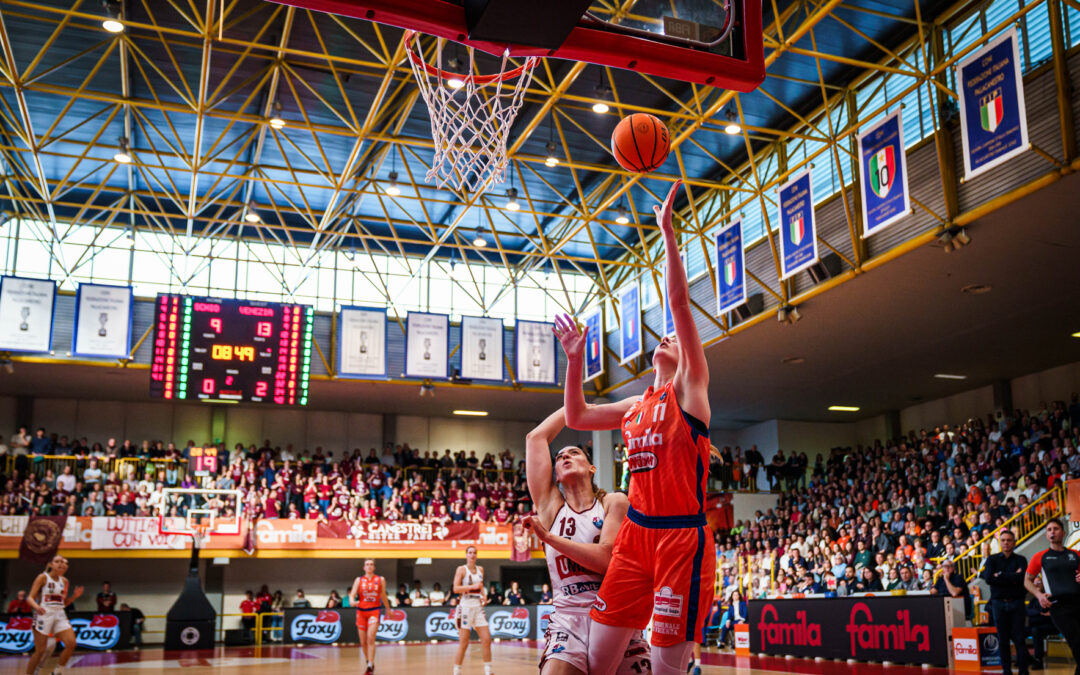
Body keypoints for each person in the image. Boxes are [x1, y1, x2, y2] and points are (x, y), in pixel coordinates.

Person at [555, 181, 716, 675]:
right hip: (635, 538)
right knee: (597, 660)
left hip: (680, 539)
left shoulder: (689, 389)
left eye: (674, 338)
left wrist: (667, 233)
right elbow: (578, 417)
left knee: (667, 666)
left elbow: (680, 305)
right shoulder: (634, 404)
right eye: (662, 336)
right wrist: (575, 362)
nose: (667, 337)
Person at [523, 408, 650, 675]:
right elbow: (535, 438)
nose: (565, 456)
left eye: (574, 452)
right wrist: (575, 408)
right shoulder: (551, 508)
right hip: (569, 619)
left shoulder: (613, 501)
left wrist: (549, 538)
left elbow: (606, 559)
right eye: (560, 457)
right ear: (555, 475)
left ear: (592, 468)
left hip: (615, 614)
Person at [1025, 518, 1080, 674]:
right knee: (1077, 643)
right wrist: (1039, 595)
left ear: (1063, 532)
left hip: (1078, 602)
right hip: (1058, 606)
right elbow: (1027, 580)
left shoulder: (1075, 554)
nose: (1052, 532)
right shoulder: (1040, 556)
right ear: (1046, 535)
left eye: (1056, 529)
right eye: (1049, 530)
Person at [980, 529, 1029, 675]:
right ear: (999, 542)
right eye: (1003, 540)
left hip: (1017, 603)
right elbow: (989, 579)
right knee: (1003, 640)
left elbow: (1022, 579)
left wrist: (1000, 575)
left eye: (1009, 540)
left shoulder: (1021, 559)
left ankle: (1023, 671)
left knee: (1020, 639)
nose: (1006, 543)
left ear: (1014, 542)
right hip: (998, 604)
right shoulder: (992, 559)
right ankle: (1006, 671)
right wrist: (1013, 576)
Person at [25, 555, 83, 675]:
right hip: (44, 613)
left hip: (59, 614)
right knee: (40, 651)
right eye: (57, 561)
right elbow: (30, 597)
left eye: (63, 562)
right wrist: (36, 607)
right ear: (51, 564)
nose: (61, 564)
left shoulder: (65, 581)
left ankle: (58, 672)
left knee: (71, 643)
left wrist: (74, 597)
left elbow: (63, 603)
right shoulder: (43, 577)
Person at [452, 545, 493, 675]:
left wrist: (484, 596)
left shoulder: (481, 569)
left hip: (477, 607)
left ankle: (488, 671)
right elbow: (456, 589)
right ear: (466, 555)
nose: (472, 555)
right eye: (469, 552)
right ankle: (457, 671)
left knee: (486, 639)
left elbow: (480, 586)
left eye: (474, 553)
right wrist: (472, 587)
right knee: (464, 643)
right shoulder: (461, 569)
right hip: (465, 607)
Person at [349, 559, 391, 675]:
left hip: (374, 611)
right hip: (361, 612)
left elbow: (383, 595)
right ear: (364, 567)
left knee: (370, 638)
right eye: (367, 564)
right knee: (363, 642)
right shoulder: (359, 580)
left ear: (374, 567)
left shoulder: (380, 579)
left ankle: (370, 666)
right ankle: (369, 661)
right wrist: (352, 601)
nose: (369, 566)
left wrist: (388, 609)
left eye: (371, 564)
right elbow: (352, 595)